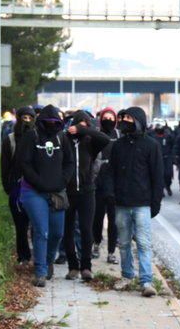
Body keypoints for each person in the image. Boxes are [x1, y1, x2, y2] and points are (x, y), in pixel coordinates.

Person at [109, 106, 164, 297]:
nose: (124, 121)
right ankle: (126, 275)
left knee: (143, 243)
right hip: (122, 203)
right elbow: (111, 173)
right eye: (122, 118)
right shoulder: (118, 145)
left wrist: (156, 202)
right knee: (123, 243)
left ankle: (146, 281)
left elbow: (157, 176)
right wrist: (112, 195)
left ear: (139, 121)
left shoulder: (151, 145)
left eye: (128, 118)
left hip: (142, 204)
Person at [17, 105, 74, 287]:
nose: (50, 125)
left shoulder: (62, 138)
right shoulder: (30, 137)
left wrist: (62, 181)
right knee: (42, 230)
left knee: (57, 232)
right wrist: (39, 182)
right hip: (33, 191)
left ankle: (49, 260)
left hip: (57, 191)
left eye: (54, 122)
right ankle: (40, 271)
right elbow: (24, 163)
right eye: (47, 122)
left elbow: (69, 162)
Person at [63, 110, 110, 281]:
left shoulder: (91, 142)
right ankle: (73, 266)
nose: (81, 129)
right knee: (67, 230)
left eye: (85, 125)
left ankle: (86, 266)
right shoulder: (65, 140)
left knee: (85, 229)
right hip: (68, 192)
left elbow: (104, 139)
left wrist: (85, 130)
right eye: (78, 125)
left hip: (87, 191)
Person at [1, 106, 36, 264]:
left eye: (30, 118)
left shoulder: (38, 138)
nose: (27, 121)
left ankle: (38, 255)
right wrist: (8, 186)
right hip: (17, 187)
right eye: (24, 117)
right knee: (20, 226)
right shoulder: (10, 139)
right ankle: (23, 256)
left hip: (35, 187)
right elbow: (5, 165)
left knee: (36, 224)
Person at [92, 107, 120, 264]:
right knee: (97, 217)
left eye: (111, 118)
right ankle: (96, 243)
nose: (108, 120)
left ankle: (111, 251)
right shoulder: (96, 135)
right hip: (98, 181)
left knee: (113, 219)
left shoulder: (118, 135)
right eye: (106, 117)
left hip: (114, 182)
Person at [152, 121, 174, 196]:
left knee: (168, 174)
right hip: (158, 158)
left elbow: (173, 145)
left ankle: (168, 186)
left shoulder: (168, 136)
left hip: (167, 157)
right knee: (160, 175)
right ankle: (161, 190)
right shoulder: (154, 138)